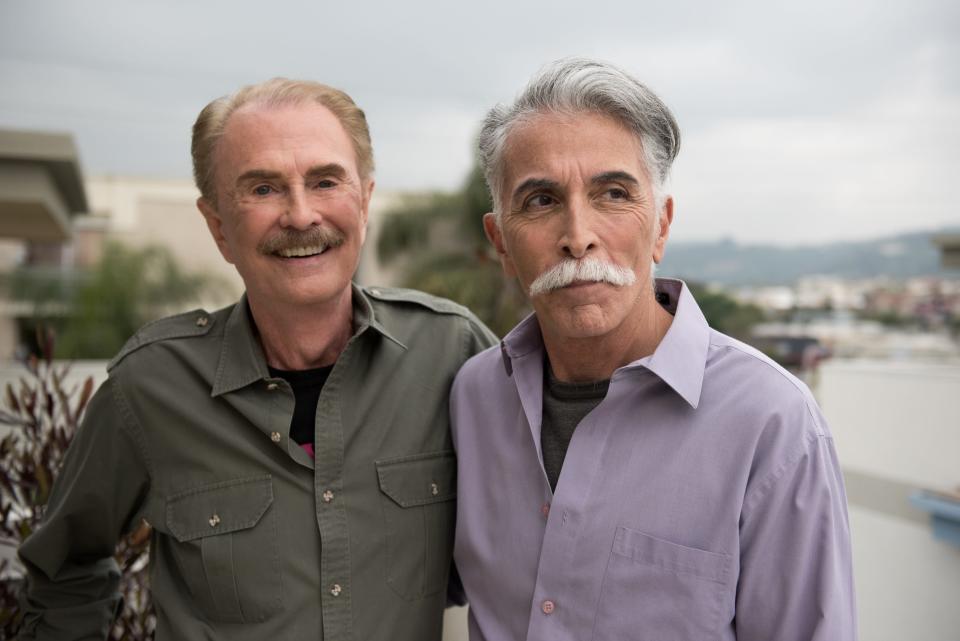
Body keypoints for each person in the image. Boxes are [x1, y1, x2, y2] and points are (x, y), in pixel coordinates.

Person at [18, 78, 496, 640]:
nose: (300, 214)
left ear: (364, 202)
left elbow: (540, 527)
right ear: (219, 226)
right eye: (264, 189)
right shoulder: (150, 387)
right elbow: (64, 570)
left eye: (324, 181)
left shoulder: (453, 353)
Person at [450, 58, 856, 641]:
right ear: (501, 245)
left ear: (661, 227)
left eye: (613, 193)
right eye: (540, 200)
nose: (578, 234)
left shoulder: (773, 424)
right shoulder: (473, 398)